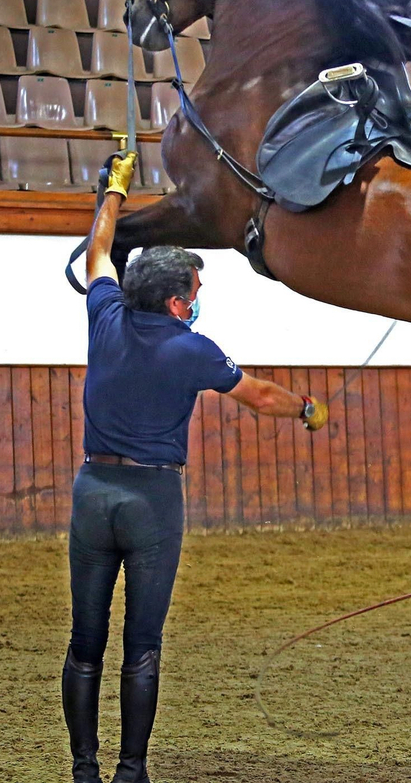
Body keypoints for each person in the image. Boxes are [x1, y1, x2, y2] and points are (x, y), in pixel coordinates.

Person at [62, 152, 330, 783]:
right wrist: (307, 408)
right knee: (142, 645)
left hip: (93, 490)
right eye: (198, 291)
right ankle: (131, 772)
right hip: (153, 499)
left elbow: (99, 250)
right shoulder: (193, 349)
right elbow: (261, 396)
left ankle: (83, 770)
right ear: (179, 303)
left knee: (85, 644)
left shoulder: (105, 314)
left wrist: (113, 192)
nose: (199, 299)